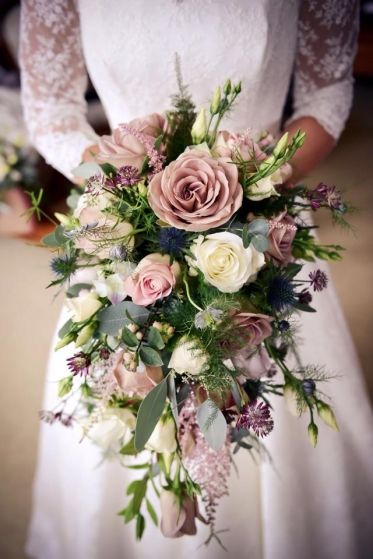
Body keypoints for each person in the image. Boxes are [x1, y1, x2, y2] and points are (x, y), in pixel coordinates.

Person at [20, 1, 373, 558]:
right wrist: (129, 194)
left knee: (270, 393)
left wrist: (250, 188)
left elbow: (326, 96)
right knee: (127, 397)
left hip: (261, 223)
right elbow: (49, 108)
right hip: (122, 226)